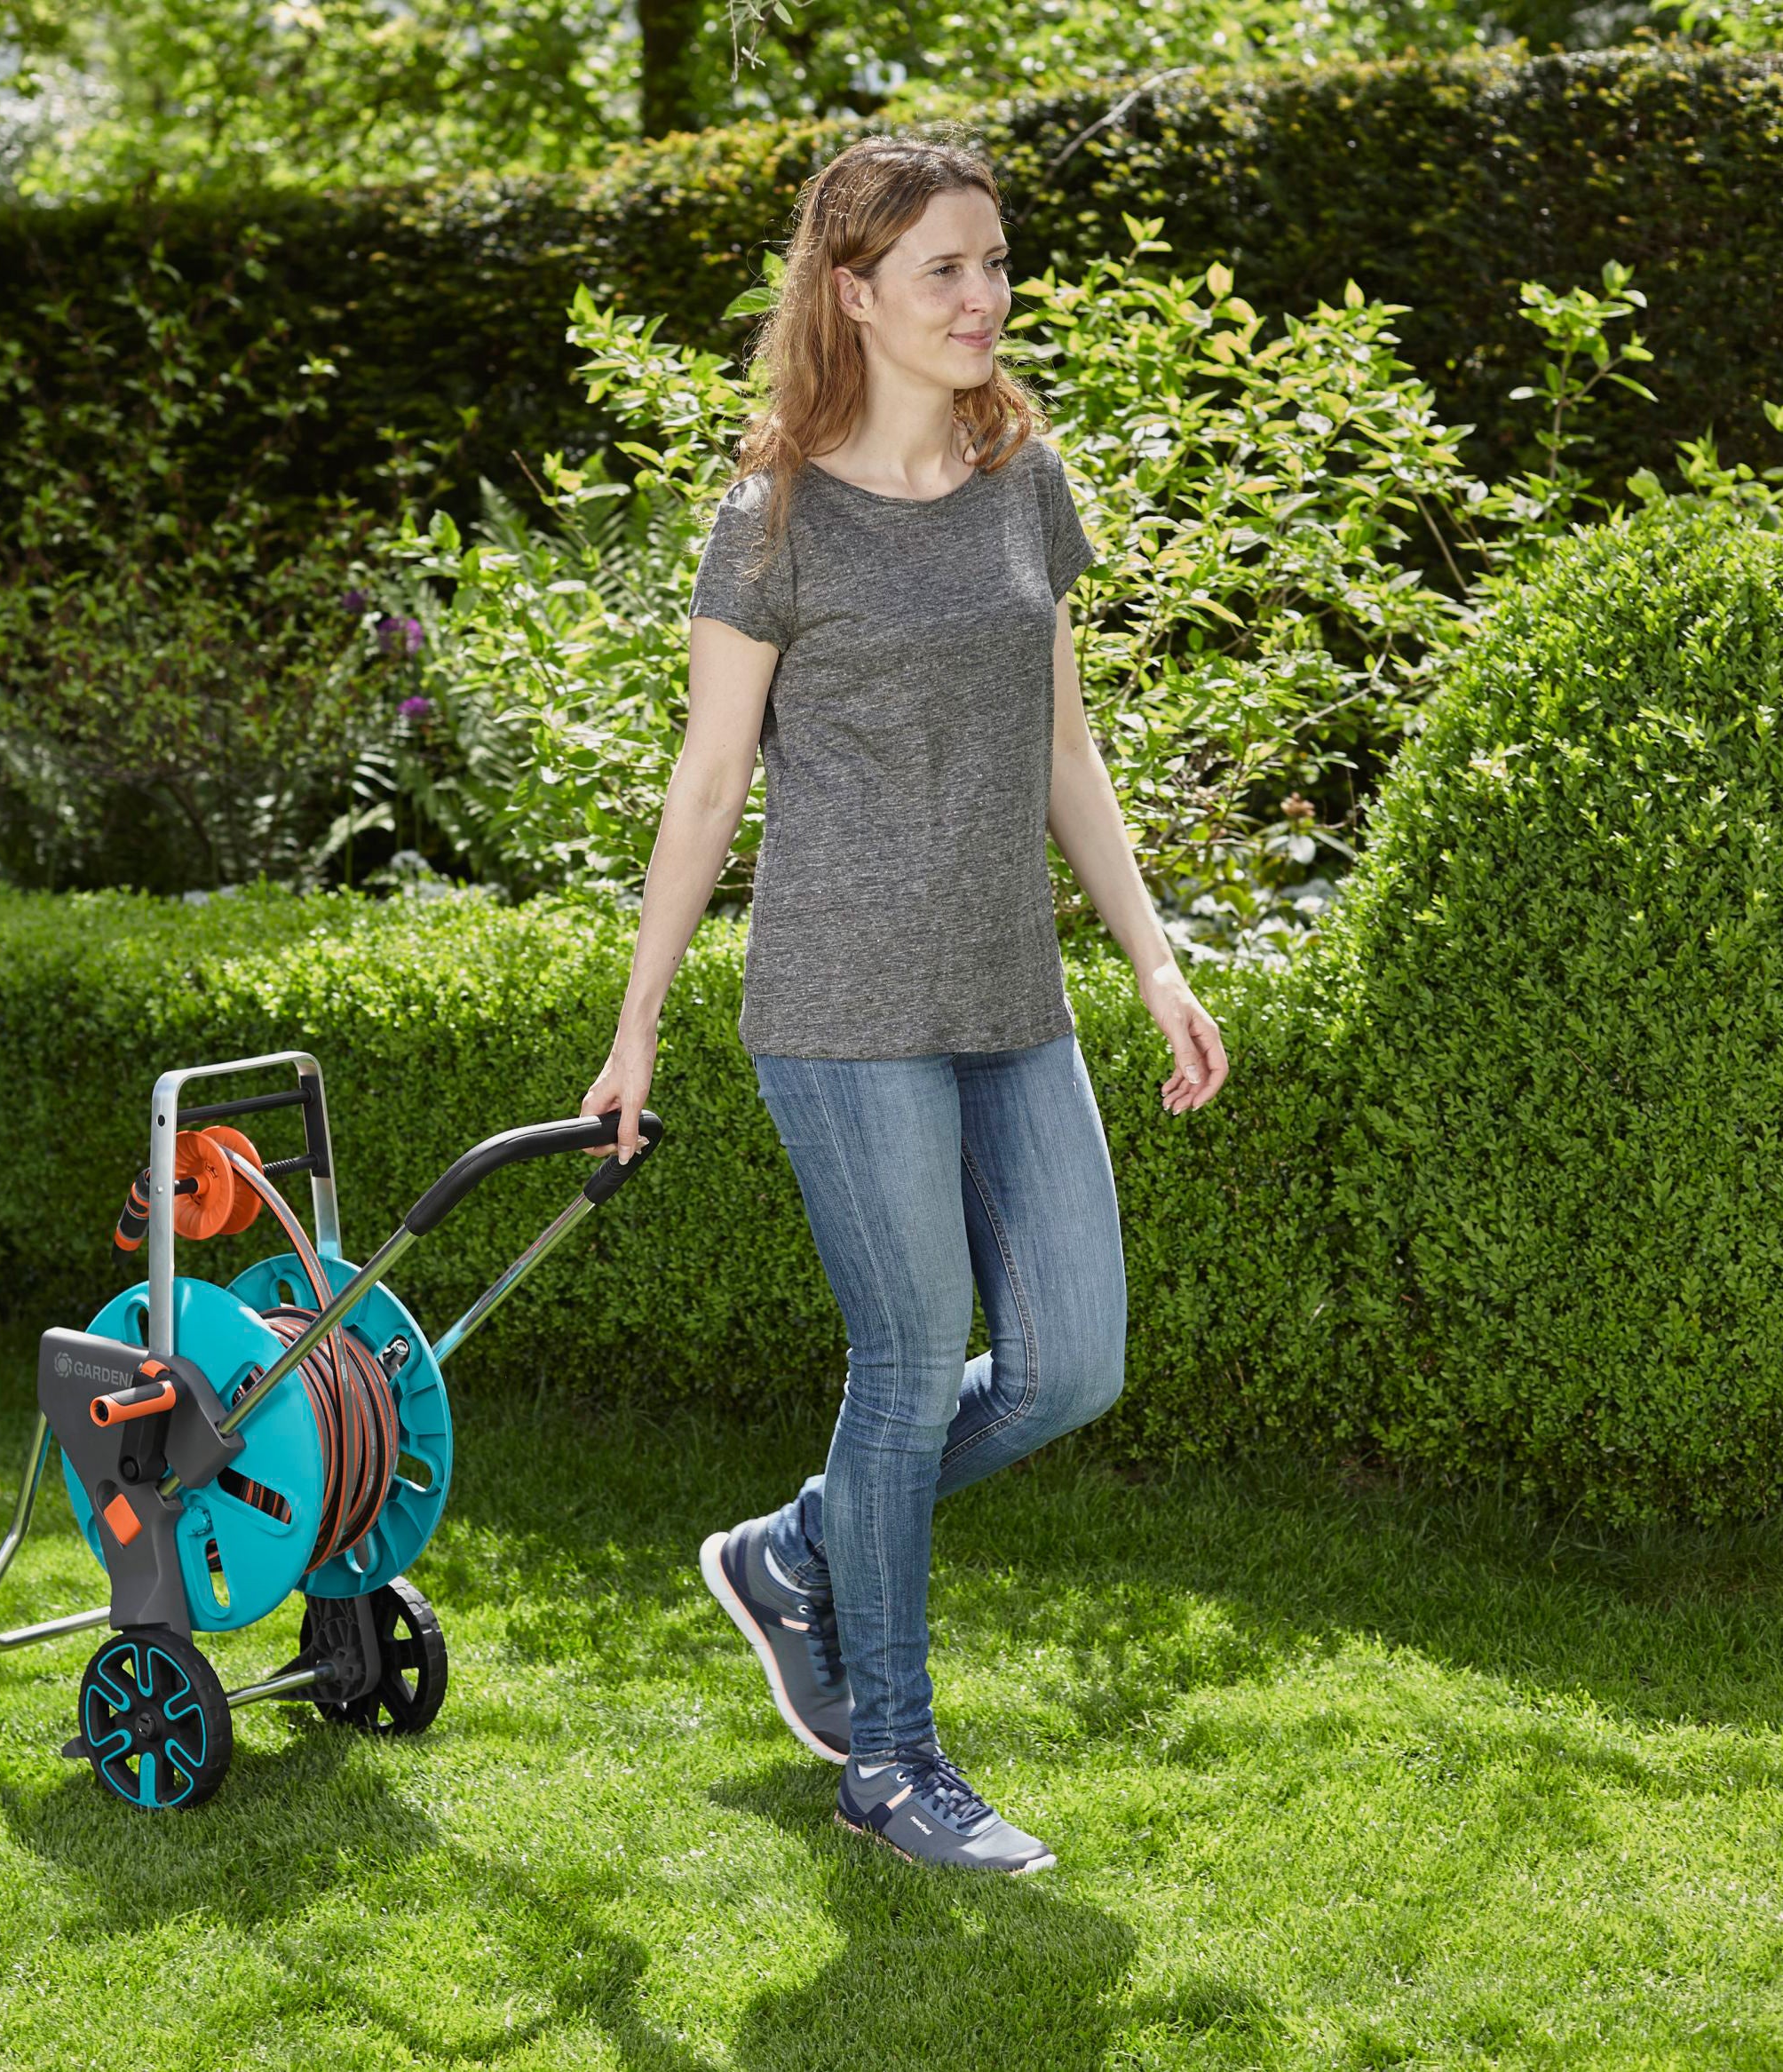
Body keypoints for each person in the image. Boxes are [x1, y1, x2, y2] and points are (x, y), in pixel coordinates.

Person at [578, 131, 1229, 1876]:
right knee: (910, 1361)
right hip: (840, 1002)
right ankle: (890, 1762)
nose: (983, 296)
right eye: (944, 267)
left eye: (994, 262)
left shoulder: (1024, 480)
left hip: (1011, 991)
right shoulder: (775, 520)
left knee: (1072, 1362)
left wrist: (1152, 957)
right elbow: (708, 782)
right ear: (852, 291)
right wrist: (637, 1024)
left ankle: (794, 1549)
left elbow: (1065, 747)